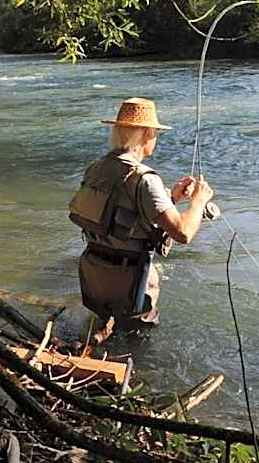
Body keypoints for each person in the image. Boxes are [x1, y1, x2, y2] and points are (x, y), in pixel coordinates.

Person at [68, 97, 214, 336]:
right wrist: (199, 201)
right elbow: (183, 233)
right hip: (129, 283)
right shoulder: (145, 178)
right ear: (147, 134)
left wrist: (173, 197)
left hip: (94, 273)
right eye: (155, 132)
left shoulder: (97, 168)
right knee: (137, 343)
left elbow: (118, 212)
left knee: (101, 332)